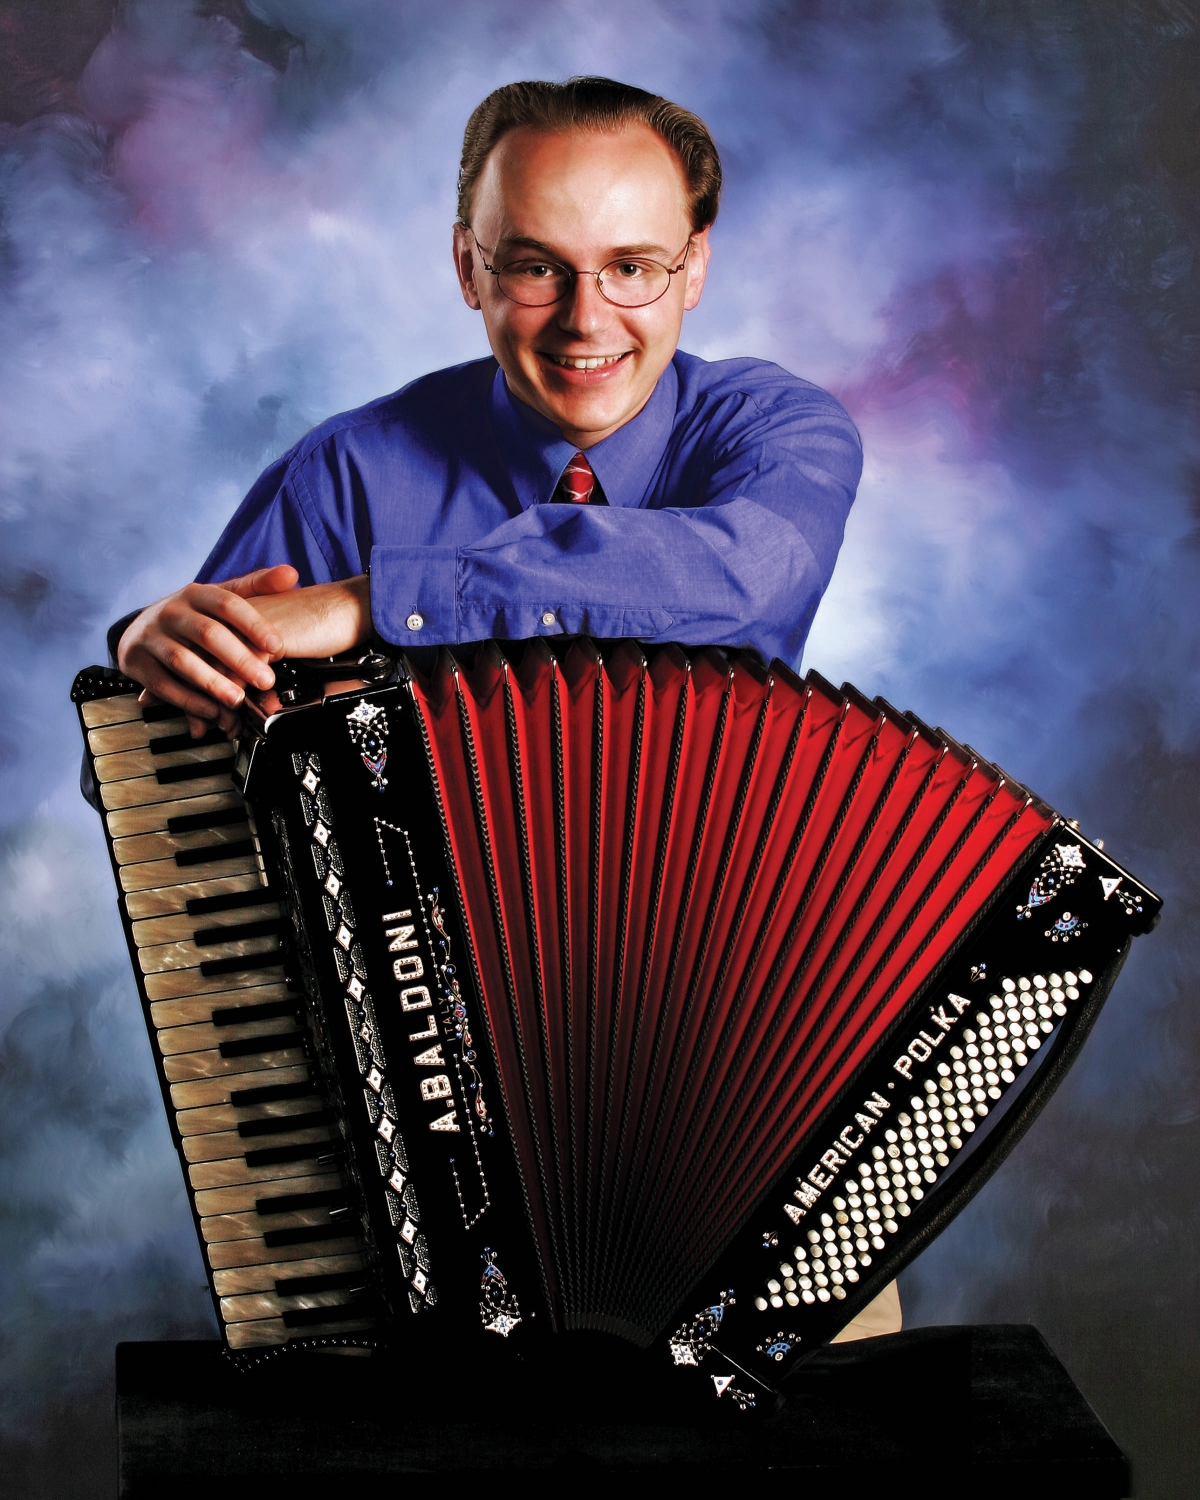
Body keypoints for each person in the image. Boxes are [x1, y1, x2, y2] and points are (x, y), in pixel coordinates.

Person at [106, 75, 898, 1340]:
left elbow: (750, 570)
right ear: (467, 267)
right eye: (535, 267)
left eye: (633, 265)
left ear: (695, 267)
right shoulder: (346, 471)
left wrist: (376, 603)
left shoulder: (773, 427)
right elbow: (177, 780)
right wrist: (150, 651)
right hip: (416, 1093)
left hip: (746, 1073)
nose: (590, 319)